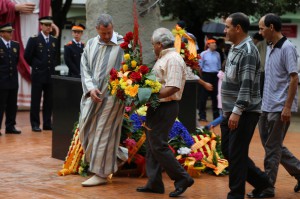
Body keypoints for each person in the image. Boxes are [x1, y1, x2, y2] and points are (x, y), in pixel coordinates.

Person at [136, 27, 194, 197]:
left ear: (160, 44)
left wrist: (151, 96)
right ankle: (154, 183)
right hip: (158, 106)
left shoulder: (173, 58)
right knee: (152, 145)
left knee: (158, 145)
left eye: (153, 44)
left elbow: (173, 86)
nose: (152, 47)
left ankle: (182, 178)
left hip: (165, 106)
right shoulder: (164, 58)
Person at [248, 13, 300, 198]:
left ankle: (267, 186)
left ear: (271, 27)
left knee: (272, 148)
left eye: (262, 28)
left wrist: (287, 107)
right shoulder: (270, 47)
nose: (260, 32)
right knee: (273, 146)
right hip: (266, 105)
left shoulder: (287, 48)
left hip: (280, 107)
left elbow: (294, 78)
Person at [220, 12, 271, 199]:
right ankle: (263, 182)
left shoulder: (248, 51)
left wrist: (236, 112)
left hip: (243, 112)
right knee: (229, 150)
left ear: (238, 28)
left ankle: (235, 194)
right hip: (231, 111)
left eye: (227, 27)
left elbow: (246, 86)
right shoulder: (235, 48)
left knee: (236, 154)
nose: (224, 30)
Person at [78, 14, 125, 187]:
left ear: (112, 27)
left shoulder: (123, 44)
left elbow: (132, 68)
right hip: (92, 96)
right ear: (97, 30)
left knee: (104, 132)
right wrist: (90, 88)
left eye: (109, 32)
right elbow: (84, 68)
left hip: (113, 99)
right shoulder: (91, 43)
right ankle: (119, 155)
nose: (106, 36)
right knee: (85, 129)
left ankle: (102, 173)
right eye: (103, 33)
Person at [0, 0, 58, 108]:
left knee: (39, 53)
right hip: (18, 20)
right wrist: (14, 7)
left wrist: (50, 22)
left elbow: (47, 5)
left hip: (37, 21)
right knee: (15, 56)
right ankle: (16, 101)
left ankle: (36, 103)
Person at [24, 16, 57, 132]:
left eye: (49, 25)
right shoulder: (34, 39)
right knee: (36, 100)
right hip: (38, 74)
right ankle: (35, 124)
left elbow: (54, 57)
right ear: (41, 26)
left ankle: (47, 123)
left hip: (49, 74)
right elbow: (27, 55)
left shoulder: (53, 40)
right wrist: (36, 65)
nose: (48, 27)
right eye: (46, 25)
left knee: (49, 101)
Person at [0, 23, 21, 135]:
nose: (11, 34)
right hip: (1, 81)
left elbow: (16, 61)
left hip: (13, 80)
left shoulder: (15, 45)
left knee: (12, 105)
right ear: (2, 33)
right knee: (1, 104)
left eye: (11, 31)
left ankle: (10, 126)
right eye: (8, 32)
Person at [198, 39, 221, 121]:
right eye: (212, 43)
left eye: (215, 43)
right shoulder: (203, 54)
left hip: (215, 76)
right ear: (208, 45)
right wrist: (203, 78)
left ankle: (216, 116)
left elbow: (219, 66)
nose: (215, 44)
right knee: (203, 97)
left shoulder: (217, 54)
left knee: (215, 97)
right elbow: (200, 67)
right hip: (206, 75)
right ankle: (202, 116)